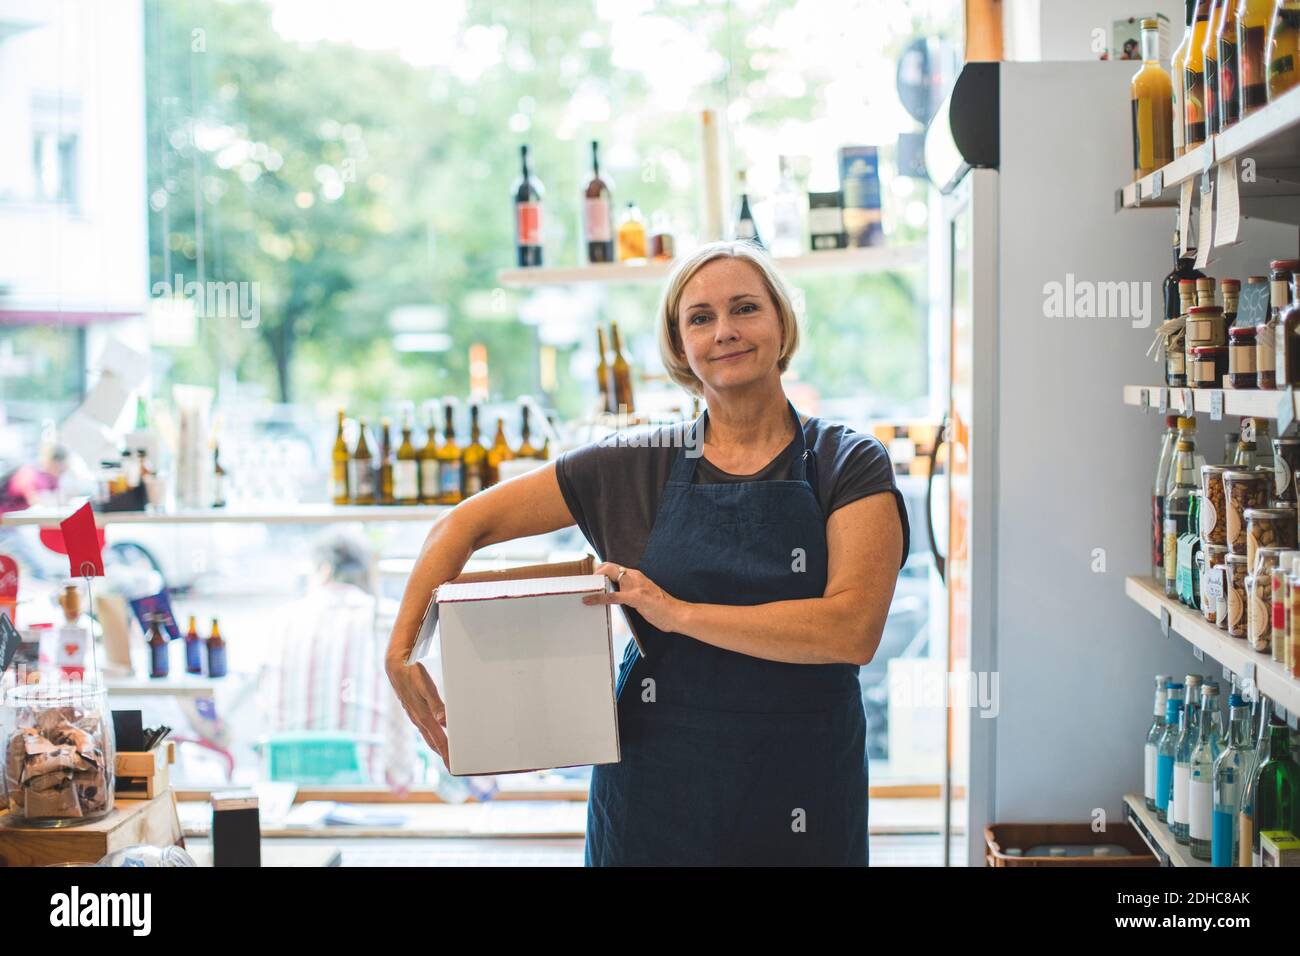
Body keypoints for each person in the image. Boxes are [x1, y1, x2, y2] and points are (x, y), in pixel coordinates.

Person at [386, 240, 908, 865]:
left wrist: (677, 612)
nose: (725, 332)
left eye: (745, 308)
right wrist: (401, 651)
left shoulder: (847, 461)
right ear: (679, 344)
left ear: (780, 323)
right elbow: (459, 526)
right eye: (700, 318)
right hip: (656, 786)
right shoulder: (634, 464)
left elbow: (850, 631)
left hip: (802, 781)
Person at [264, 530, 412, 787]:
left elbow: (266, 706)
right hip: (366, 790)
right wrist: (403, 778)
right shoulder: (386, 619)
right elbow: (404, 714)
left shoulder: (281, 621)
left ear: (323, 570)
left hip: (289, 789)